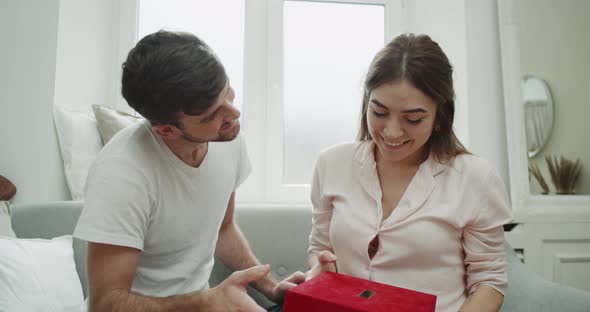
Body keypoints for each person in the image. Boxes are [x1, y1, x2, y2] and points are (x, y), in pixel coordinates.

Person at [73, 30, 304, 312]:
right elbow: (106, 304)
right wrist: (206, 301)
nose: (233, 115)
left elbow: (223, 228)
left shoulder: (226, 137)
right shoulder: (121, 174)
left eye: (227, 93)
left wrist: (271, 287)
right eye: (211, 114)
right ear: (167, 130)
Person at [305, 34, 513, 312]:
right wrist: (322, 269)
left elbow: (489, 281)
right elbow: (319, 247)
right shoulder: (332, 163)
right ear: (366, 102)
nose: (392, 132)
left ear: (440, 116)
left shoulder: (475, 178)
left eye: (413, 118)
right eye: (379, 112)